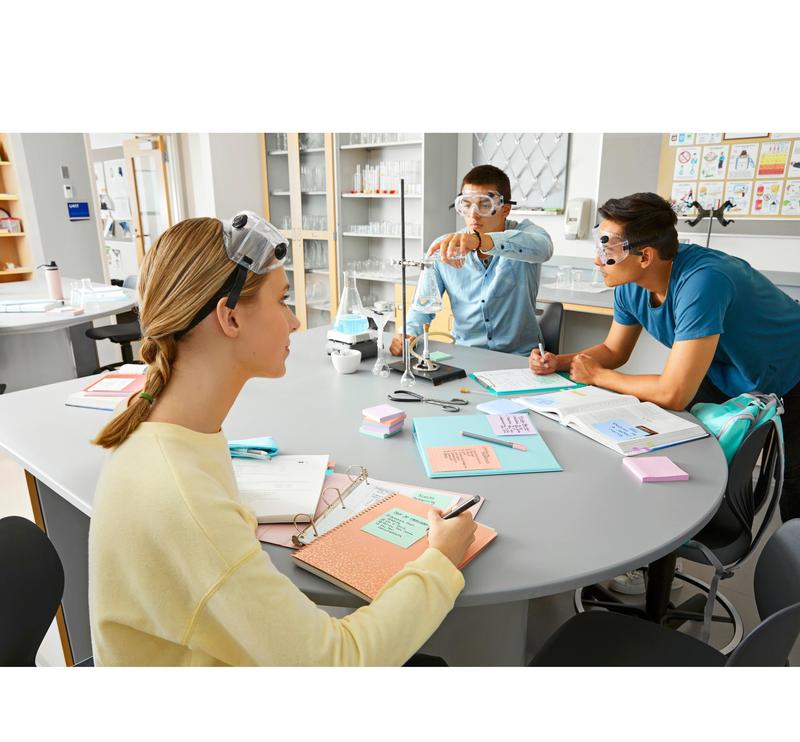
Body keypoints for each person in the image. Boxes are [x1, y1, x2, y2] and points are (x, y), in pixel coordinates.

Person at [88, 212, 477, 666]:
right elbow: (339, 661)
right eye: (282, 301)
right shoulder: (184, 503)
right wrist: (440, 560)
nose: (293, 323)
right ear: (229, 318)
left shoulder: (162, 423)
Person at [530, 191, 800, 593]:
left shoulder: (704, 281)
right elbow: (613, 352)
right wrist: (564, 361)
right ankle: (655, 558)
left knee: (793, 486)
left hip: (791, 369)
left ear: (645, 255)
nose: (597, 258)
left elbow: (673, 391)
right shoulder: (629, 281)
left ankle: (790, 599)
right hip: (727, 369)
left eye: (608, 248)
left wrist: (597, 377)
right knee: (669, 451)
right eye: (598, 244)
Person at [390, 164, 553, 358]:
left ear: (505, 209)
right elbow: (422, 307)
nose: (473, 214)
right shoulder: (444, 247)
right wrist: (408, 334)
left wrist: (480, 241)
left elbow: (543, 248)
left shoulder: (526, 235)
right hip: (466, 355)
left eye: (484, 204)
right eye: (466, 204)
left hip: (520, 358)